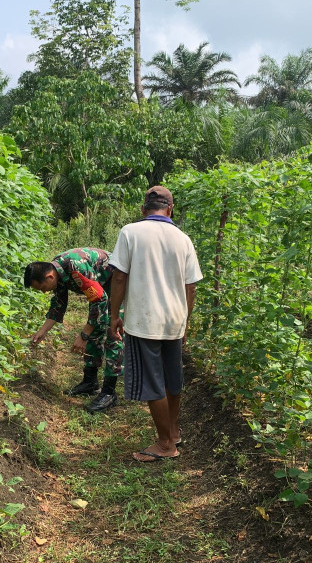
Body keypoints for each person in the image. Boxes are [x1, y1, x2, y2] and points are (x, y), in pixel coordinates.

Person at [109, 186, 202, 462]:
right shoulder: (183, 239)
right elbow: (191, 287)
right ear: (170, 209)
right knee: (172, 380)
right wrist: (185, 321)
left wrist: (115, 314)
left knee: (153, 384)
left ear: (143, 210)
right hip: (174, 320)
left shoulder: (130, 232)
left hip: (142, 321)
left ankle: (164, 445)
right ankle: (173, 433)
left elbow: (119, 278)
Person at [24, 248, 123, 413]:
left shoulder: (75, 267)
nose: (43, 292)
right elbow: (59, 304)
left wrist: (84, 335)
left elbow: (99, 299)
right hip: (102, 287)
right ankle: (90, 382)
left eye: (41, 288)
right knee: (96, 327)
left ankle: (109, 392)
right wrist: (42, 332)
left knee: (113, 332)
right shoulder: (56, 270)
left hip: (119, 281)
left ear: (49, 277)